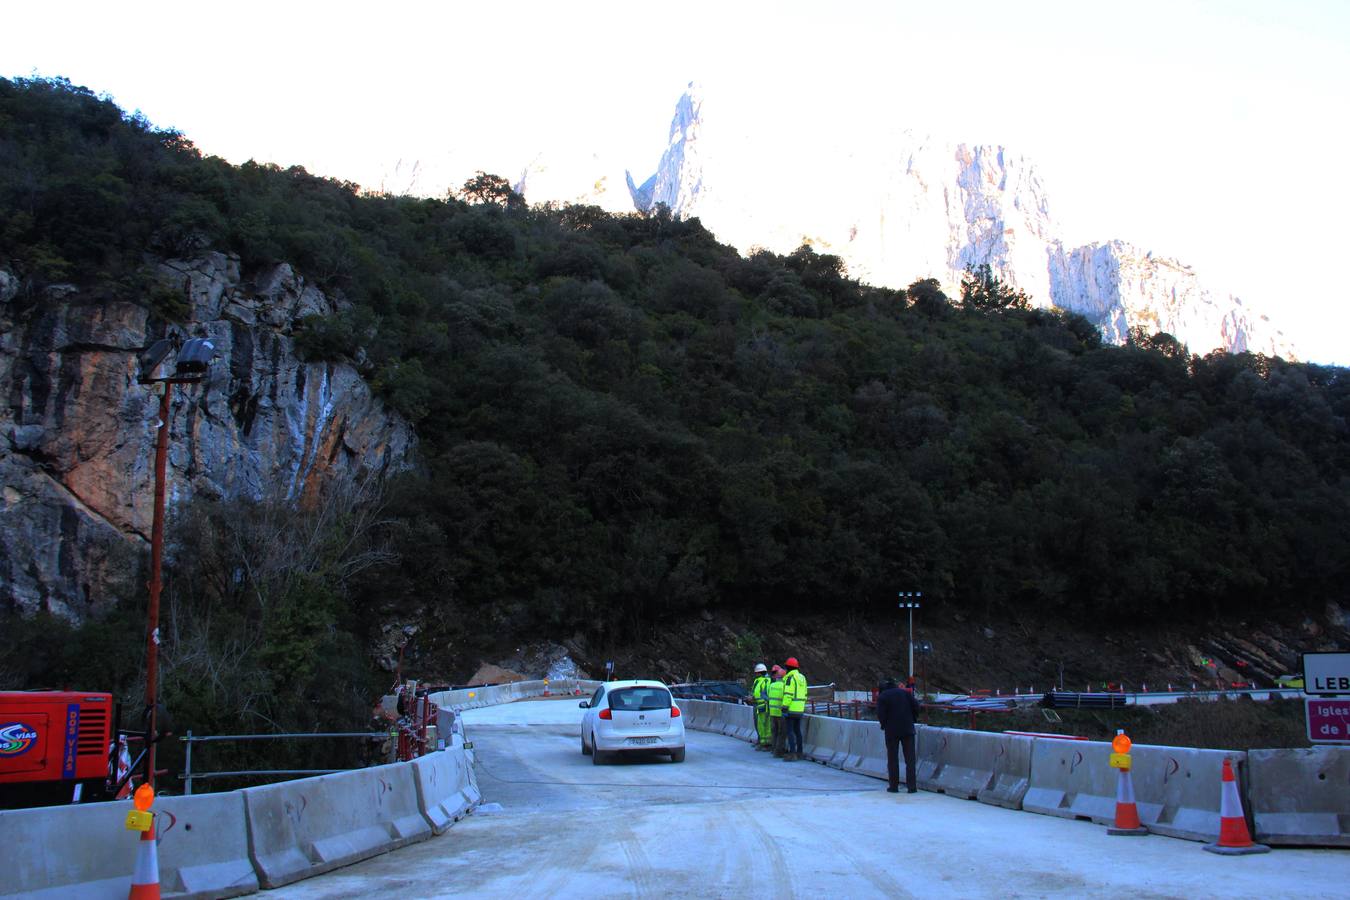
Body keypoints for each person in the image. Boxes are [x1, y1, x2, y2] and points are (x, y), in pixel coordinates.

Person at [876, 677, 922, 793]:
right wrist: (913, 719)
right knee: (910, 759)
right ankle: (912, 787)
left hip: (891, 731)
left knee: (893, 759)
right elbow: (916, 706)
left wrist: (884, 725)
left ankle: (894, 786)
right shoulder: (905, 693)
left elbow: (880, 714)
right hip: (907, 729)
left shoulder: (883, 697)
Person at [780, 657, 807, 761]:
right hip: (800, 709)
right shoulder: (802, 678)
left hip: (791, 709)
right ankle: (800, 753)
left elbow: (788, 694)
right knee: (797, 731)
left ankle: (792, 754)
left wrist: (784, 707)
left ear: (788, 667)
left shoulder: (789, 678)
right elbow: (805, 693)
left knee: (790, 731)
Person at [750, 663, 772, 750]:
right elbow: (755, 692)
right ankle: (761, 741)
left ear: (759, 673)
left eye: (756, 673)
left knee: (765, 725)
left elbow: (766, 694)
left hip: (763, 705)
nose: (755, 674)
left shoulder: (766, 681)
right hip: (757, 704)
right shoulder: (757, 681)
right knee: (759, 724)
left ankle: (766, 743)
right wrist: (752, 698)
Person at [767, 665, 786, 757]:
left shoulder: (771, 686)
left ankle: (773, 749)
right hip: (780, 712)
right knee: (781, 732)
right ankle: (779, 752)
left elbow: (769, 697)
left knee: (774, 732)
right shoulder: (784, 686)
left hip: (772, 712)